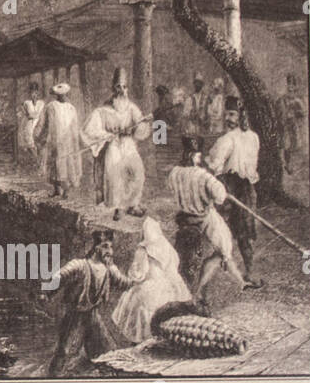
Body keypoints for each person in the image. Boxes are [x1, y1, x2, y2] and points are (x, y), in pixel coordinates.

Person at [47, 230, 138, 376]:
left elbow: (124, 283)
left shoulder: (109, 269)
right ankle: (51, 380)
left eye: (111, 247)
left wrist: (143, 280)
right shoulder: (79, 265)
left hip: (93, 317)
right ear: (96, 248)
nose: (110, 251)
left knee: (107, 352)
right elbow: (59, 276)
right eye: (106, 246)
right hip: (75, 318)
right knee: (65, 352)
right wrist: (46, 292)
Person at [168, 136, 247, 301]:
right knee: (224, 248)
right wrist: (221, 193)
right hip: (203, 217)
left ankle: (239, 281)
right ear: (196, 156)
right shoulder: (203, 176)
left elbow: (172, 189)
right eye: (198, 155)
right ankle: (200, 289)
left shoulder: (174, 172)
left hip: (184, 218)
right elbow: (219, 196)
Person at [206, 96, 264, 289]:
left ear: (240, 116)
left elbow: (214, 165)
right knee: (223, 233)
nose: (227, 119)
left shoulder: (246, 138)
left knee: (245, 233)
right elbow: (215, 166)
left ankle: (250, 273)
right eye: (226, 115)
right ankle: (210, 277)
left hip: (244, 189)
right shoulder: (227, 139)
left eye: (231, 114)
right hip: (228, 189)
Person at [81, 67, 149, 220]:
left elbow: (142, 127)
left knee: (138, 172)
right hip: (113, 146)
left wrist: (137, 127)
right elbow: (89, 129)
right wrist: (107, 135)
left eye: (124, 87)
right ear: (113, 88)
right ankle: (118, 207)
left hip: (129, 144)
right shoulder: (104, 110)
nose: (122, 90)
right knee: (115, 174)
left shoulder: (131, 108)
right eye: (119, 86)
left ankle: (133, 204)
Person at [111, 215, 191, 343]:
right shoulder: (167, 247)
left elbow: (139, 274)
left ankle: (141, 341)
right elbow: (174, 267)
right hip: (169, 288)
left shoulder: (143, 249)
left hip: (150, 288)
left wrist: (131, 273)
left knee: (135, 299)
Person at [33, 82, 81, 198]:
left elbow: (75, 126)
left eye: (64, 95)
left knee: (67, 164)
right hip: (55, 140)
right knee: (55, 164)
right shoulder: (51, 106)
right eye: (60, 95)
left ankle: (66, 190)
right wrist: (38, 136)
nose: (63, 97)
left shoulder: (71, 108)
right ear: (56, 95)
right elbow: (43, 123)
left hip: (68, 141)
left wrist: (76, 139)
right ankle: (56, 189)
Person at [276, 74, 307, 175]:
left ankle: (291, 165)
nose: (290, 87)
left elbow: (303, 113)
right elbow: (280, 111)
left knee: (294, 145)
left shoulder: (297, 99)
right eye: (289, 84)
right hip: (285, 125)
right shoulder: (283, 99)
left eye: (292, 85)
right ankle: (287, 165)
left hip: (293, 124)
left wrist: (297, 109)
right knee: (286, 145)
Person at [17, 82, 45, 167]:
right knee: (29, 143)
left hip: (38, 123)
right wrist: (28, 115)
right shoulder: (27, 103)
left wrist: (39, 120)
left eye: (36, 93)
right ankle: (36, 161)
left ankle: (39, 161)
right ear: (30, 93)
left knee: (39, 142)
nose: (34, 95)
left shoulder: (41, 103)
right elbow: (27, 115)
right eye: (32, 93)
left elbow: (41, 114)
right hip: (28, 124)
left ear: (38, 92)